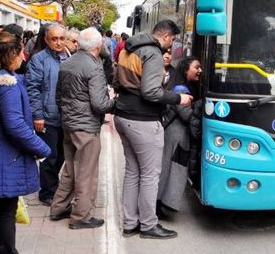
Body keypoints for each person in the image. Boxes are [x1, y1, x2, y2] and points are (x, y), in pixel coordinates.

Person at [0, 31, 51, 254]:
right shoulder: (7, 87)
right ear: (10, 56)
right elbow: (15, 126)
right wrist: (42, 148)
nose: (24, 58)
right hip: (4, 160)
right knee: (5, 211)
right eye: (21, 53)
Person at [113, 20, 192, 239]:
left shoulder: (129, 48)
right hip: (143, 120)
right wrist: (179, 98)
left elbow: (116, 81)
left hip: (123, 115)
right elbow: (151, 92)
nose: (172, 45)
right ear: (166, 36)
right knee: (149, 175)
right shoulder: (153, 53)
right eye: (173, 39)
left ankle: (130, 223)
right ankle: (148, 225)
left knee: (132, 172)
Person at [49, 28, 115, 230]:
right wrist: (114, 103)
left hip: (69, 123)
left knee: (70, 168)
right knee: (87, 172)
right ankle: (81, 216)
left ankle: (58, 208)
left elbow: (58, 96)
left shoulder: (67, 62)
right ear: (97, 46)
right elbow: (99, 104)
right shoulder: (94, 67)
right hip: (86, 126)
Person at [25, 22, 69, 206]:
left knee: (63, 155)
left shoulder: (69, 57)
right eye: (54, 39)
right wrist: (38, 115)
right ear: (46, 39)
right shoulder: (38, 59)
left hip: (66, 116)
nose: (59, 43)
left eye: (61, 38)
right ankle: (47, 192)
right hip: (47, 117)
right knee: (49, 157)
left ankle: (52, 185)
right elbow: (32, 89)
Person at [157, 56, 203, 218]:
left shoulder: (186, 87)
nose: (200, 71)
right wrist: (199, 106)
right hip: (175, 136)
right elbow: (186, 115)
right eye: (196, 67)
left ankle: (161, 204)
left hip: (177, 136)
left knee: (171, 170)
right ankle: (158, 206)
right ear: (186, 70)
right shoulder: (181, 89)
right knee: (169, 170)